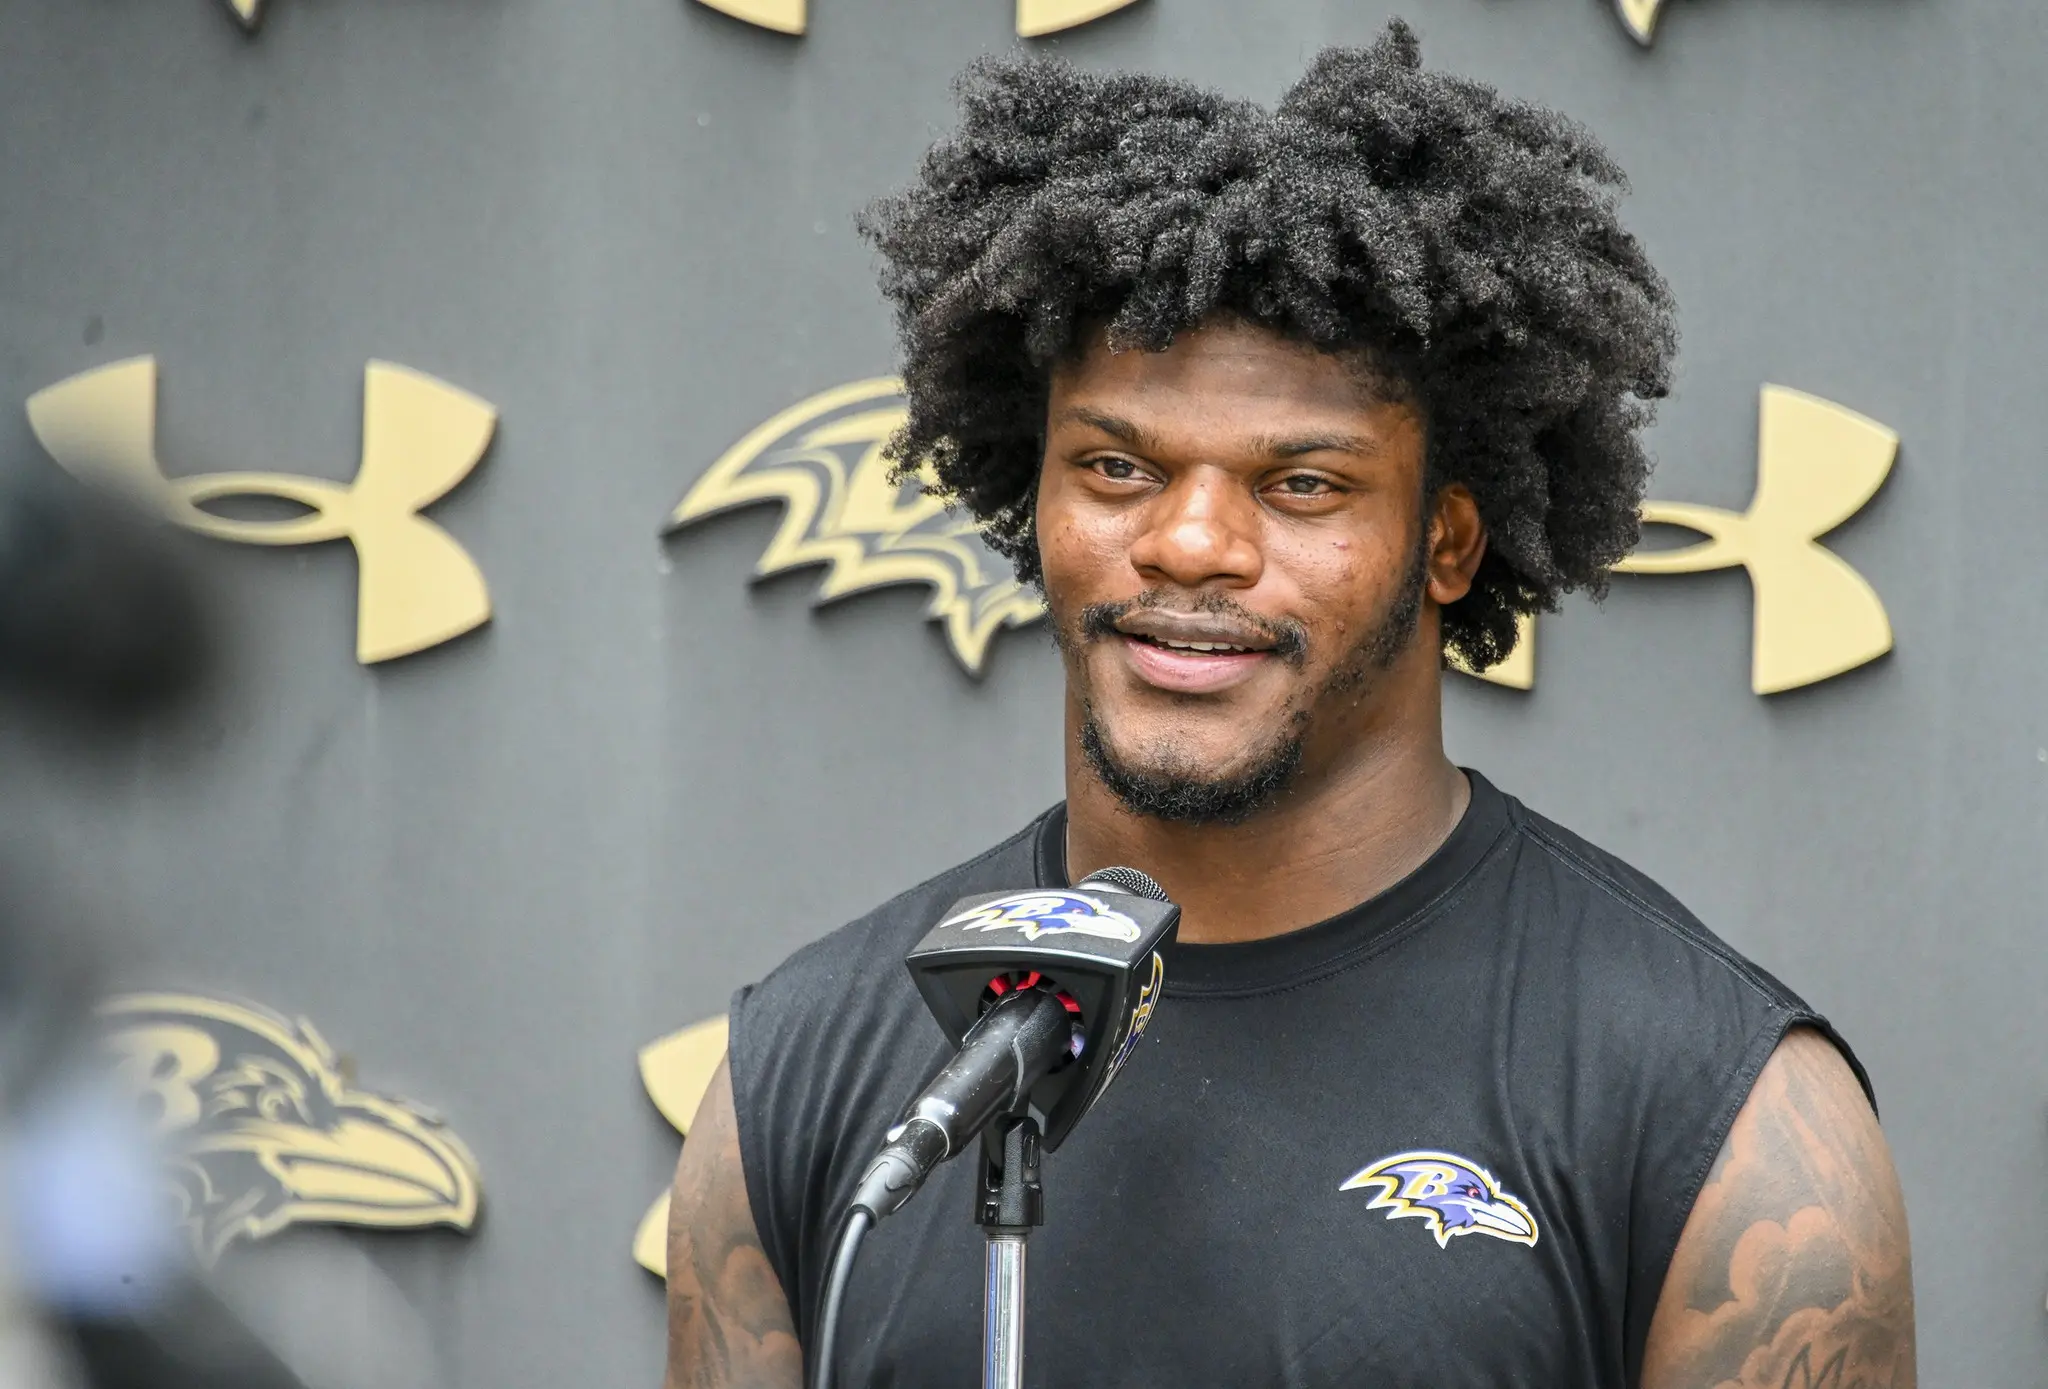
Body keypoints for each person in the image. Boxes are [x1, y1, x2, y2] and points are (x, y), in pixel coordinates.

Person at [662, 23, 1915, 1389]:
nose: (1191, 544)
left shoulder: (1717, 1113)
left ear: (1446, 541)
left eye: (1303, 484)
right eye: (1118, 468)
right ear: (1036, 496)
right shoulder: (801, 1071)